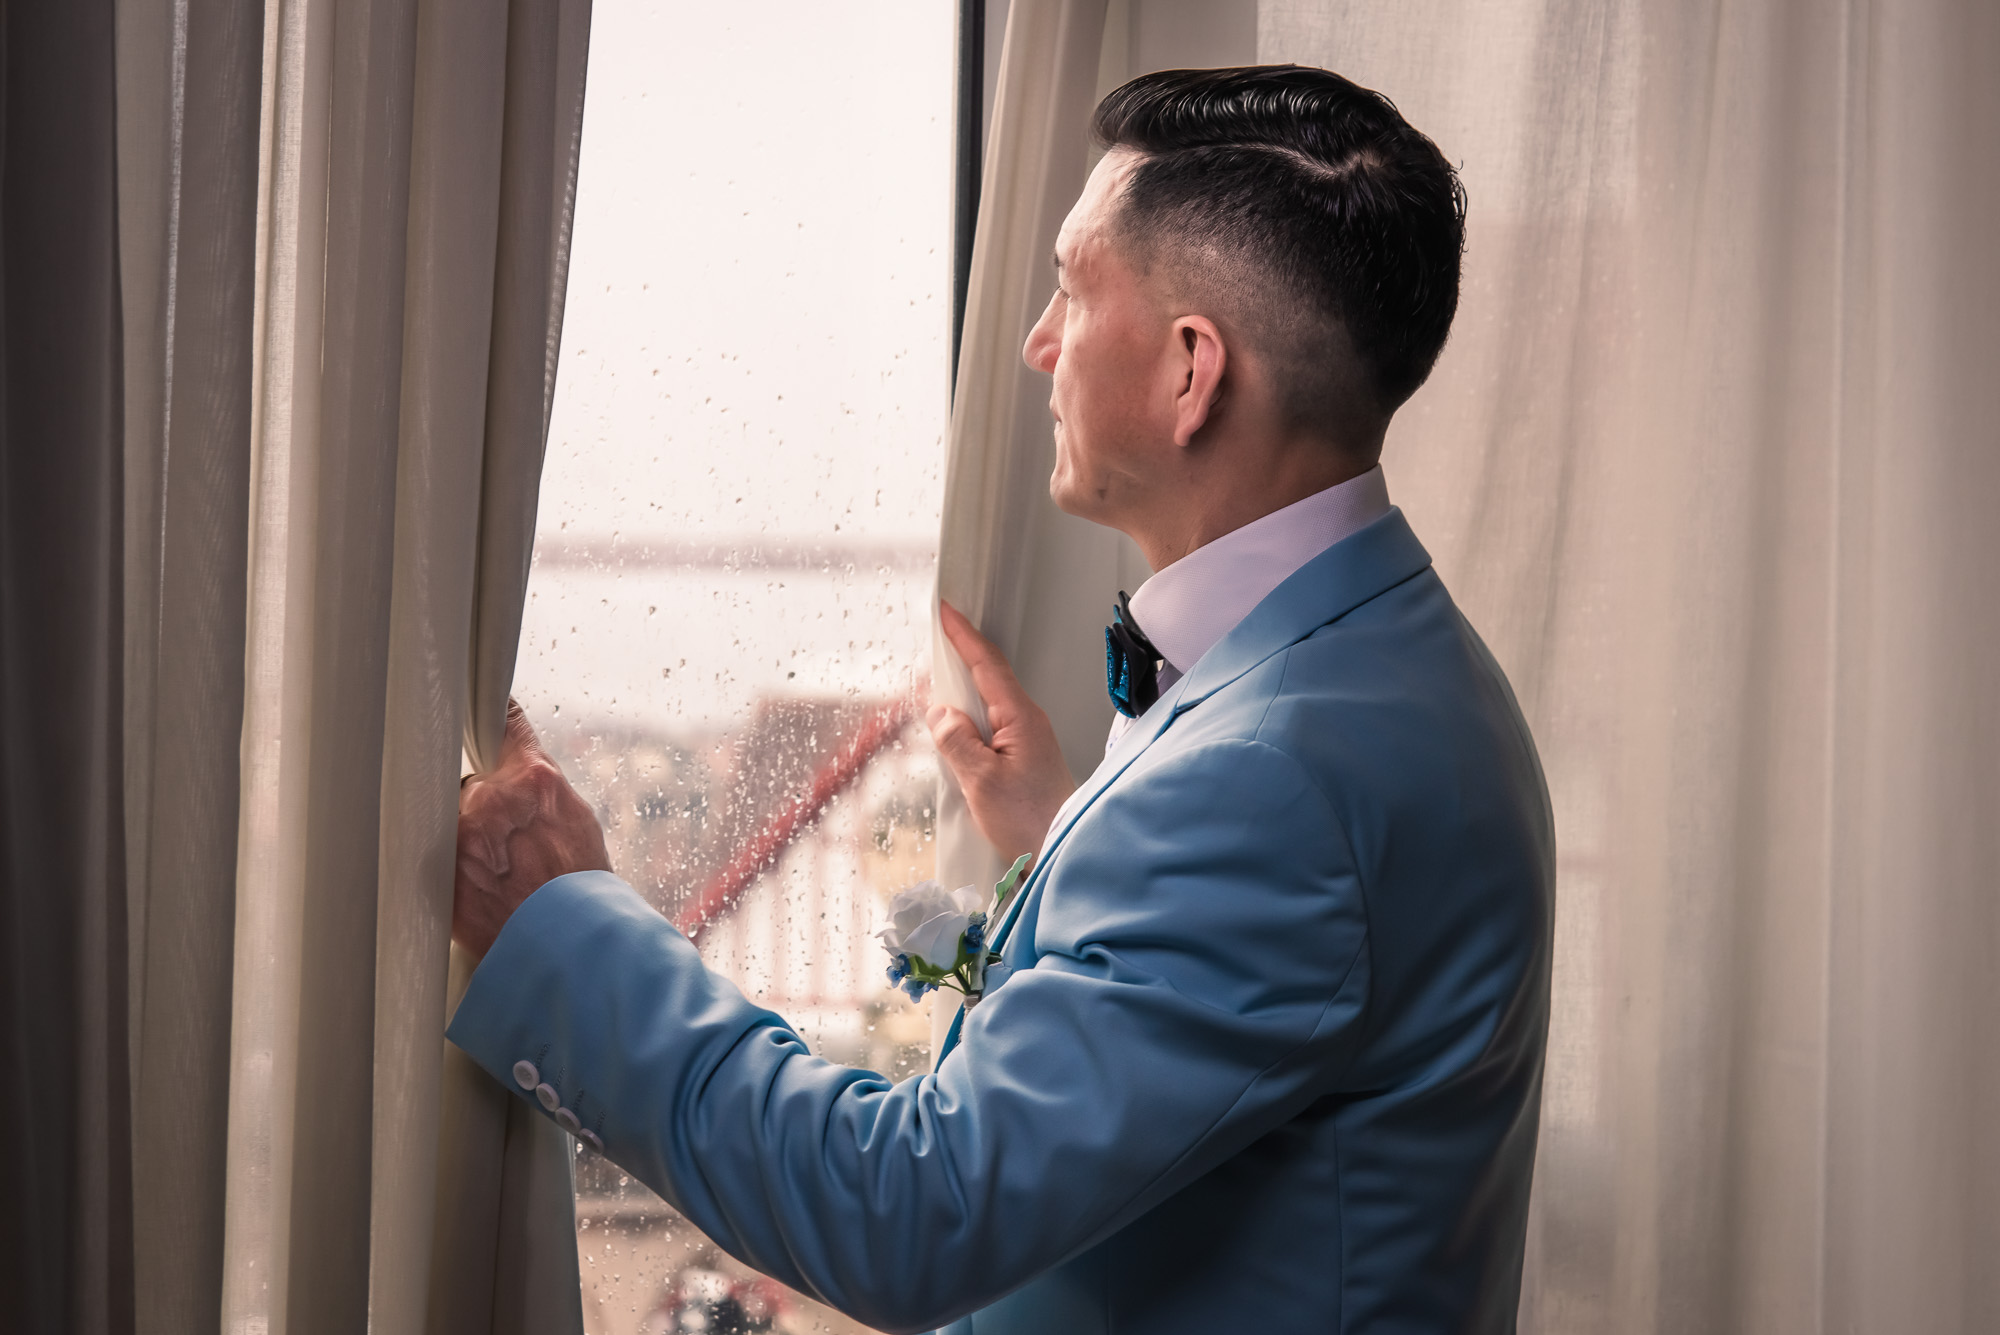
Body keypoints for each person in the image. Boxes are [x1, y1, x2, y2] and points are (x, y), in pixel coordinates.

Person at [448, 65, 1554, 1335]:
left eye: (1072, 290)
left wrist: (565, 925)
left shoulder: (1272, 784)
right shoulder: (1401, 664)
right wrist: (1072, 837)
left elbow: (907, 1214)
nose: (1037, 341)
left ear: (1190, 373)